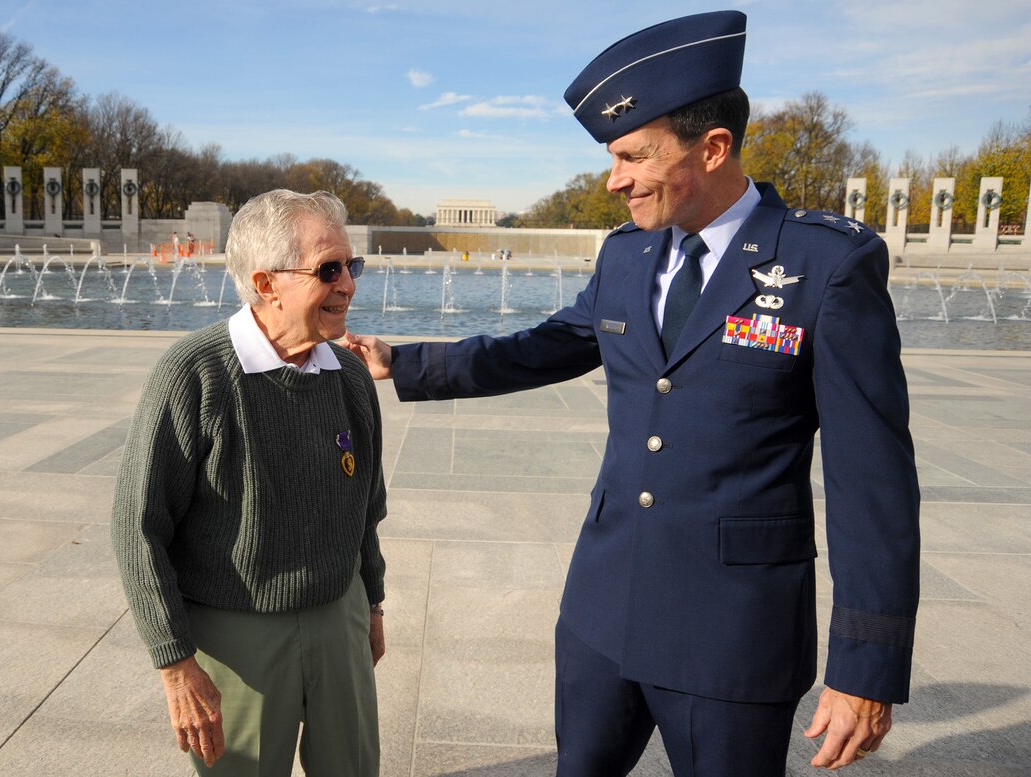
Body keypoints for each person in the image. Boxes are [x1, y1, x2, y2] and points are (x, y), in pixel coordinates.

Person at [346, 11, 919, 777]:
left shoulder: (826, 265)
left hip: (731, 631)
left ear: (712, 148)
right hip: (602, 610)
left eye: (631, 156)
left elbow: (872, 480)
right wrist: (405, 361)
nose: (613, 179)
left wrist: (866, 666)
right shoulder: (627, 255)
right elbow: (545, 346)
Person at [112, 189, 387, 777]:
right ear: (267, 284)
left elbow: (366, 508)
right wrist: (174, 662)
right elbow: (138, 527)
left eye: (352, 266)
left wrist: (373, 603)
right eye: (329, 269)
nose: (348, 285)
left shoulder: (350, 376)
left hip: (340, 615)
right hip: (236, 636)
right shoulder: (195, 373)